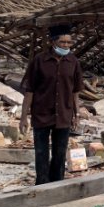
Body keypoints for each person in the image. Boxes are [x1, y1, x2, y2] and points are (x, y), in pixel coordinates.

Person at [20, 25, 83, 185]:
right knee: (41, 153)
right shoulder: (39, 61)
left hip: (63, 114)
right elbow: (30, 91)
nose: (66, 46)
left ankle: (57, 185)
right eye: (63, 42)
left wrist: (77, 115)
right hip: (41, 114)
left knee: (60, 153)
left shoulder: (73, 62)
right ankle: (41, 185)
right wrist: (23, 117)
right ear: (53, 42)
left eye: (69, 43)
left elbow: (75, 91)